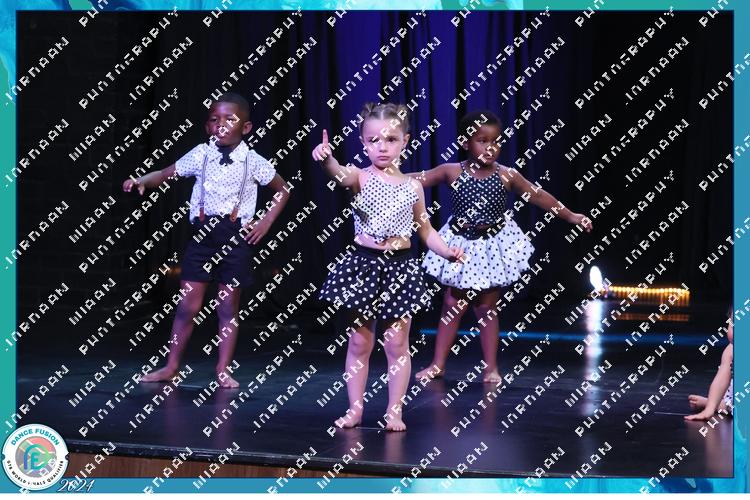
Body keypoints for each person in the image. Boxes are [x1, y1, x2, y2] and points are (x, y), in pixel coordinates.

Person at [122, 92, 291, 388]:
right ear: (207, 126)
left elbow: (283, 189)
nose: (221, 125)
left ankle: (222, 370)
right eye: (214, 119)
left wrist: (265, 222)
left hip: (234, 236)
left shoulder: (252, 160)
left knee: (226, 308)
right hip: (203, 236)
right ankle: (172, 366)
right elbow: (166, 173)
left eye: (229, 119)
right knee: (187, 306)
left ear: (246, 127)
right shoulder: (201, 153)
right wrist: (142, 181)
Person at [312, 102, 463, 431]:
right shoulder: (359, 176)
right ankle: (355, 409)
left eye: (391, 139)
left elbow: (425, 230)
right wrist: (326, 159)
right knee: (359, 343)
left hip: (399, 268)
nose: (382, 147)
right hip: (363, 265)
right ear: (363, 143)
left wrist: (446, 251)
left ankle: (394, 410)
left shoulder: (412, 186)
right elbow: (338, 173)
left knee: (396, 344)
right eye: (374, 140)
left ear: (405, 141)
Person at [411, 110, 592, 383]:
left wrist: (570, 215)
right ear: (465, 143)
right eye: (482, 141)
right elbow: (416, 178)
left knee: (486, 307)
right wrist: (381, 176)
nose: (490, 147)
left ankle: (491, 368)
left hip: (491, 246)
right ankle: (438, 364)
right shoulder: (451, 171)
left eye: (495, 141)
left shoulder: (507, 175)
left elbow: (537, 196)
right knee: (452, 304)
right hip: (460, 244)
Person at [685, 314, 734, 420]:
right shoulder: (731, 350)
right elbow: (721, 380)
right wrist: (709, 409)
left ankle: (716, 404)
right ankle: (714, 404)